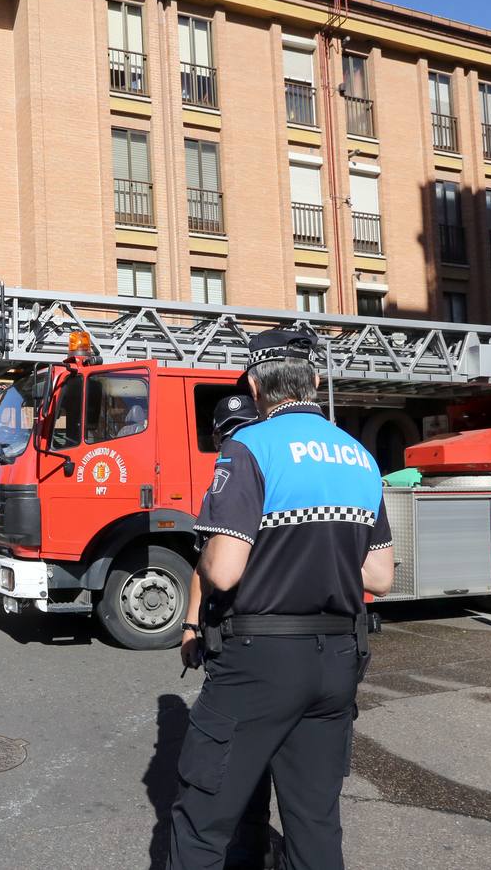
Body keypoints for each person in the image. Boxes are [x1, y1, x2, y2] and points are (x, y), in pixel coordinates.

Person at [170, 330, 395, 870]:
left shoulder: (249, 447)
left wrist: (211, 550)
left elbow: (224, 571)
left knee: (202, 823)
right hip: (338, 658)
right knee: (314, 823)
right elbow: (380, 575)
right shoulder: (360, 456)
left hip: (261, 659)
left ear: (254, 387)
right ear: (314, 380)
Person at [181, 393, 278, 870]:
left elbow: (215, 569)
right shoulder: (236, 479)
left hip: (248, 641)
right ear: (219, 438)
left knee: (226, 760)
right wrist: (190, 625)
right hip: (275, 642)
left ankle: (248, 846)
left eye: (245, 428)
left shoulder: (251, 471)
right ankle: (253, 844)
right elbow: (203, 565)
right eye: (232, 431)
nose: (238, 438)